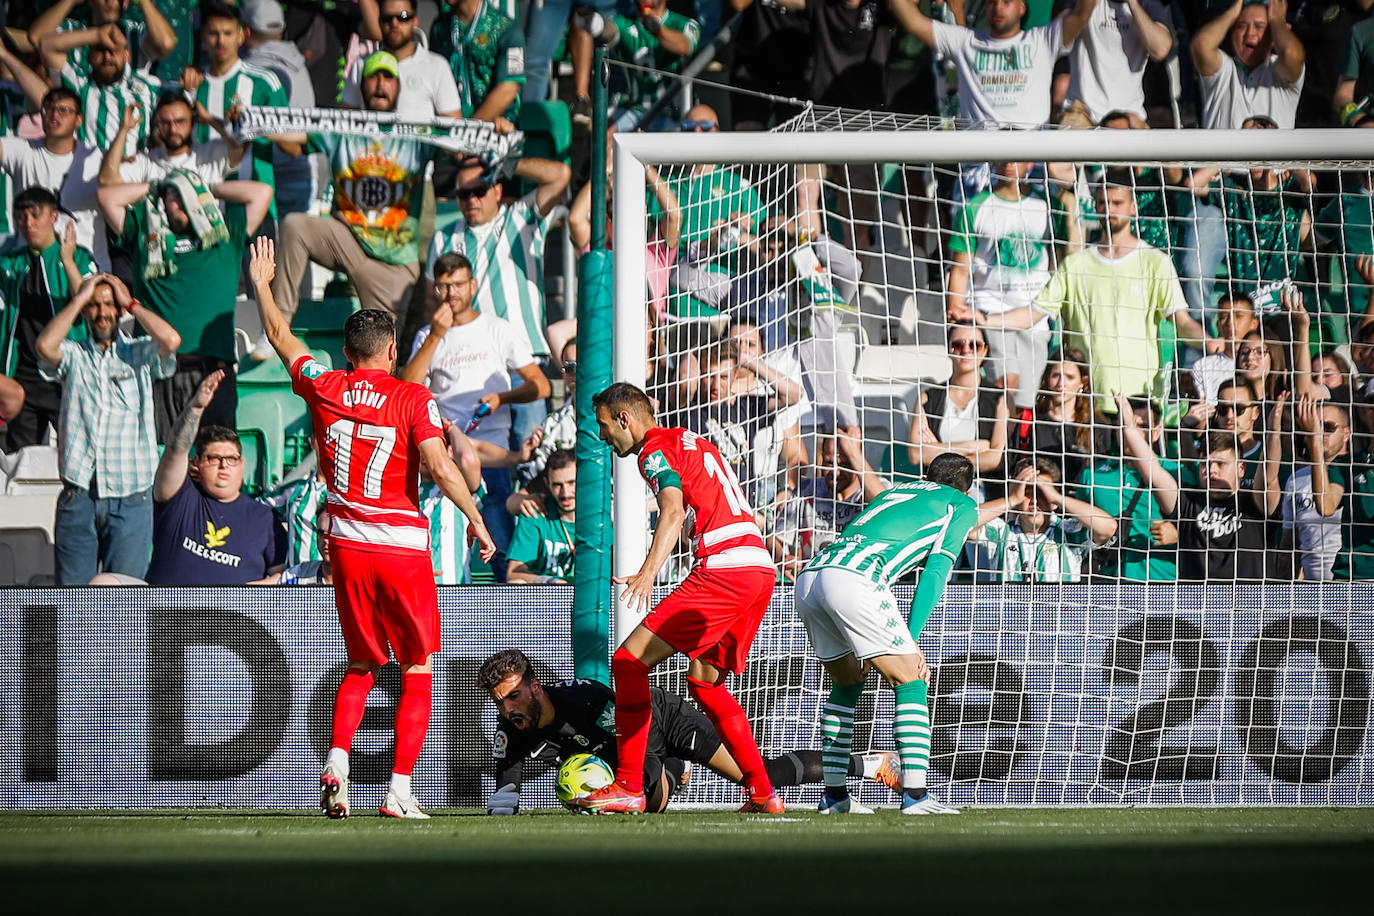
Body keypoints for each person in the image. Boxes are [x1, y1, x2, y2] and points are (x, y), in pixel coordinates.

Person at [248, 236, 495, 819]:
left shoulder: (324, 386)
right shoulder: (412, 397)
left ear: (346, 350)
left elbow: (283, 339)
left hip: (346, 545)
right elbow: (439, 465)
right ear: (389, 351)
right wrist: (475, 516)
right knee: (417, 667)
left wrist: (261, 285)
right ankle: (398, 791)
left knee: (362, 663)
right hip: (400, 546)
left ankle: (337, 759)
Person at [582, 382, 781, 814]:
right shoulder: (692, 441)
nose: (602, 437)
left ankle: (631, 784)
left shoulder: (653, 450)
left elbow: (671, 508)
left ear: (624, 418)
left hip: (725, 568)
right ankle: (764, 793)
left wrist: (649, 573)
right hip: (759, 567)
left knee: (628, 663)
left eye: (604, 426)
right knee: (706, 683)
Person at [478, 648, 901, 815]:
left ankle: (872, 762)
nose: (507, 708)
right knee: (641, 799)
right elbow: (508, 773)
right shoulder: (512, 725)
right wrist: (505, 801)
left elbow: (638, 735)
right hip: (630, 757)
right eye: (500, 701)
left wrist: (660, 772)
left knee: (762, 780)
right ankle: (672, 771)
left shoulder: (584, 699)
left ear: (536, 686)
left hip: (663, 721)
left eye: (513, 697)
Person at [793, 453, 979, 815]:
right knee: (911, 681)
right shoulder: (961, 504)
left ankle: (834, 797)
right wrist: (912, 639)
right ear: (966, 486)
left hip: (811, 575)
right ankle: (916, 795)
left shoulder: (894, 492)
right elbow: (936, 572)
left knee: (847, 686)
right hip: (854, 577)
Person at [262, 50, 450, 345]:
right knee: (295, 225)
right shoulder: (342, 129)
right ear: (362, 86)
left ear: (398, 88)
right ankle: (279, 324)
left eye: (388, 78)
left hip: (392, 264)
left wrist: (495, 130)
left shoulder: (416, 134)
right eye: (373, 77)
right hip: (346, 240)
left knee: (382, 355)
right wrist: (252, 122)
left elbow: (460, 147)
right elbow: (294, 138)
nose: (380, 84)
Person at [987, 167, 1207, 415]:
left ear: (1133, 207)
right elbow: (1034, 314)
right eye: (1103, 203)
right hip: (1088, 404)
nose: (1109, 209)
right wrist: (984, 320)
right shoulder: (1075, 264)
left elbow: (1181, 321)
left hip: (1139, 402)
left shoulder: (1155, 262)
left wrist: (1212, 342)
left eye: (1117, 203)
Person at [401, 251, 551, 582]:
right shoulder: (428, 335)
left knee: (497, 539)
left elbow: (541, 386)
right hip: (442, 452)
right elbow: (407, 388)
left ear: (473, 285)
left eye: (457, 285)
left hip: (492, 452)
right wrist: (437, 336)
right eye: (443, 287)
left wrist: (503, 397)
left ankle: (504, 615)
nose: (451, 294)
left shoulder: (498, 329)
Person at [98, 171, 272, 440]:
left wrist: (206, 187)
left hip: (213, 370)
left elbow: (261, 192)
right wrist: (158, 185)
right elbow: (107, 197)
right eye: (172, 197)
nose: (177, 202)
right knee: (163, 463)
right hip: (158, 371)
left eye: (184, 196)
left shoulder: (225, 234)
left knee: (215, 458)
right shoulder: (146, 239)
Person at [36, 273, 180, 585]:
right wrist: (78, 299)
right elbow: (45, 346)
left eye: (109, 304)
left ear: (119, 310)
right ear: (85, 311)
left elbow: (171, 340)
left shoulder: (140, 352)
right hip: (79, 493)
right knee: (72, 604)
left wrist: (131, 302)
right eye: (94, 305)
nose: (102, 312)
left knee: (127, 605)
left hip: (131, 496)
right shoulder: (74, 355)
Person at [946, 159, 1079, 409]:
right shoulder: (975, 206)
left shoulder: (1049, 207)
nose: (1008, 163)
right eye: (1003, 156)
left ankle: (1018, 446)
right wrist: (956, 313)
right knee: (1006, 385)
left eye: (1016, 157)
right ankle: (1000, 446)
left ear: (1030, 164)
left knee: (1030, 398)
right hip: (988, 312)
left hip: (1034, 316)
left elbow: (1060, 265)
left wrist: (1067, 319)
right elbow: (961, 269)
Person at [146, 371, 287, 586]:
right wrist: (196, 408)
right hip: (167, 612)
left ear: (242, 465)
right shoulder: (178, 496)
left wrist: (237, 596)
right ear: (197, 463)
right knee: (104, 582)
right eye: (213, 458)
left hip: (233, 616)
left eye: (231, 459)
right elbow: (176, 448)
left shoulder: (264, 518)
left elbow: (281, 577)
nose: (223, 465)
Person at [1118, 393, 1279, 581]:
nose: (1211, 470)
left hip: (1248, 604)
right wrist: (1129, 427)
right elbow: (1154, 472)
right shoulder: (1189, 502)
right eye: (1205, 464)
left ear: (1241, 468)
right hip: (1197, 605)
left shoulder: (1253, 500)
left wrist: (1275, 430)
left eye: (1220, 463)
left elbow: (1268, 474)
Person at [889, 0, 1097, 128]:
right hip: (977, 172)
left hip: (1029, 170)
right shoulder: (965, 42)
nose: (998, 7)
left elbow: (1081, 13)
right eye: (991, 2)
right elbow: (912, 21)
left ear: (1022, 7)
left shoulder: (1042, 40)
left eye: (1006, 2)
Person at [0, 189, 99, 450]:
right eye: (21, 217)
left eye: (35, 215)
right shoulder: (10, 262)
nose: (28, 223)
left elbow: (88, 304)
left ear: (54, 216)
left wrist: (67, 260)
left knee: (80, 454)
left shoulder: (78, 257)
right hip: (24, 376)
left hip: (66, 375)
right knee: (18, 461)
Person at [181, 1, 289, 214]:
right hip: (199, 206)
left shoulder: (265, 83)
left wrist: (250, 124)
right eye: (213, 33)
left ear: (242, 35)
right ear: (203, 37)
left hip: (253, 207)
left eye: (228, 33)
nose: (221, 41)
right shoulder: (191, 85)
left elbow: (292, 146)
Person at [0, 87, 110, 270]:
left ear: (79, 120)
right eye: (48, 109)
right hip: (32, 269)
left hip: (87, 266)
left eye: (64, 110)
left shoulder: (98, 158)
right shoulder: (22, 150)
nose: (53, 115)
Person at [974, 458, 1116, 581]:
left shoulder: (1068, 531)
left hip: (1059, 611)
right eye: (1027, 493)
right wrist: (1011, 499)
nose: (1035, 501)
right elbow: (965, 524)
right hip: (1010, 612)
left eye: (1042, 493)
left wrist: (1056, 498)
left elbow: (1108, 528)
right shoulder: (1001, 531)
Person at [568, 0, 701, 129]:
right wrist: (593, 22)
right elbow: (609, 30)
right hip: (636, 110)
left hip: (675, 113)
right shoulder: (624, 22)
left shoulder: (686, 24)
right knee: (600, 131)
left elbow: (685, 46)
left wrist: (658, 30)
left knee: (704, 118)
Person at [1191, 0, 1306, 130]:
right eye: (1242, 26)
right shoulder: (1223, 72)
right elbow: (1201, 45)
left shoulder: (1279, 73)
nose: (1250, 33)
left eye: (1259, 26)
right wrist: (1232, 13)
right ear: (1231, 33)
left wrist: (1277, 22)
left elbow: (1291, 53)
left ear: (1274, 34)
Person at [1060, 0, 1172, 127]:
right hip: (1082, 113)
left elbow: (1160, 50)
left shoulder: (1148, 5)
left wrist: (1133, 4)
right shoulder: (1081, 3)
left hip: (1131, 115)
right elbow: (1062, 37)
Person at [351, 0, 463, 120]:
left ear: (415, 21)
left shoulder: (437, 66)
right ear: (379, 21)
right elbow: (342, 124)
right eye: (387, 18)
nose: (394, 23)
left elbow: (454, 128)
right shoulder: (361, 64)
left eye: (403, 17)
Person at [99, 95, 241, 189]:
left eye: (180, 122)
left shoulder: (211, 153)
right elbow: (107, 179)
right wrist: (124, 130)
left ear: (193, 123)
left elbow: (238, 151)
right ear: (157, 125)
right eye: (166, 123)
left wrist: (209, 118)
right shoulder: (147, 161)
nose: (173, 129)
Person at [1008, 348, 1103, 487]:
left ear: (1083, 382)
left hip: (1080, 503)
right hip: (1036, 502)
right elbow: (1012, 464)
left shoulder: (1098, 425)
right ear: (1047, 378)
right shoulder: (1029, 420)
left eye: (1069, 377)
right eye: (1056, 375)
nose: (1061, 383)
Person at [1282, 396, 1351, 580]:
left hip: (1351, 581)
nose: (1319, 434)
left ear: (1347, 433)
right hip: (1310, 591)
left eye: (1328, 428)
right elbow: (1289, 543)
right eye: (1314, 427)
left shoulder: (1354, 474)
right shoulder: (1295, 480)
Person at [428, 0, 526, 124]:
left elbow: (508, 89)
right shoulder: (440, 27)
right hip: (448, 130)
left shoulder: (507, 28)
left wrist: (469, 130)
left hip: (495, 131)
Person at [506, 448, 577, 584]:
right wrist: (551, 582)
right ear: (547, 484)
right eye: (557, 485)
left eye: (571, 482)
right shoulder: (535, 514)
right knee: (516, 584)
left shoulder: (600, 518)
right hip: (544, 599)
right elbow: (513, 573)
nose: (565, 493)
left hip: (588, 599)